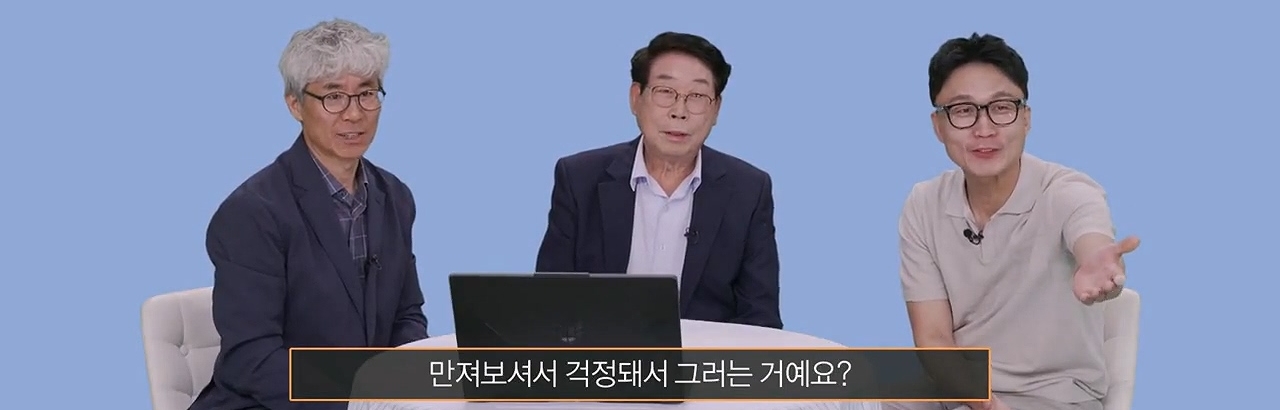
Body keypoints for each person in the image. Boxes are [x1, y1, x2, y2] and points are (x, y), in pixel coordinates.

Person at [888, 33, 1140, 410]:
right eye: (963, 110)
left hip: (1053, 397)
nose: (984, 129)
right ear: (938, 125)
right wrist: (983, 403)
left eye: (1002, 107)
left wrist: (1098, 263)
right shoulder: (923, 203)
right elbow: (934, 339)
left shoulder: (1067, 191)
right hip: (958, 390)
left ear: (1026, 118)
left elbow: (1090, 236)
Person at [189, 19, 429, 410]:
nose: (354, 114)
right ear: (295, 105)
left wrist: (412, 386)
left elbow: (406, 315)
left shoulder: (395, 196)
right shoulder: (252, 213)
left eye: (367, 94)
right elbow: (253, 360)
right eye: (333, 97)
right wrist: (357, 399)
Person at [534, 32, 782, 329]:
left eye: (697, 96)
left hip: (703, 357)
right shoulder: (579, 178)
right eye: (665, 92)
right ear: (636, 98)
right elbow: (550, 302)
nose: (679, 112)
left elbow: (760, 318)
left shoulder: (748, 191)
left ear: (716, 109)